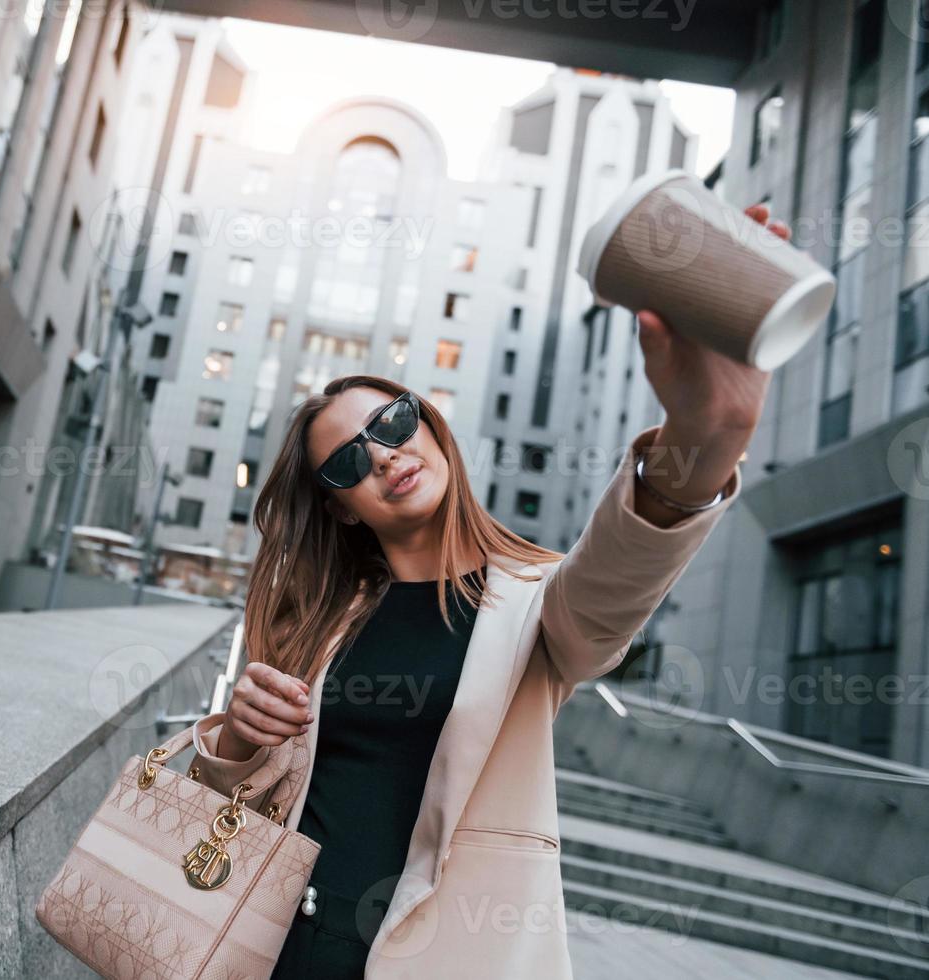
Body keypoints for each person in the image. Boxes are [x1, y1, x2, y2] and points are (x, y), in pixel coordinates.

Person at [188, 207, 792, 978]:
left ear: (432, 426)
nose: (383, 456)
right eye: (346, 462)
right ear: (342, 505)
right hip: (278, 946)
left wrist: (704, 440)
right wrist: (238, 738)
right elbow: (240, 799)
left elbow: (616, 580)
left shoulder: (537, 604)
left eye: (393, 421)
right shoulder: (327, 622)